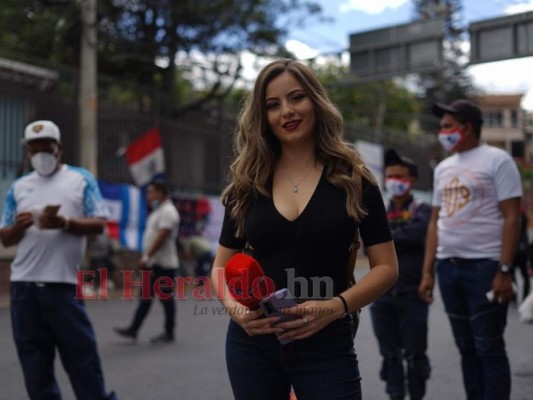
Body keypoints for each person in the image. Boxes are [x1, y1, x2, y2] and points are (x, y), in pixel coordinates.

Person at [210, 59, 398, 400]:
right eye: (273, 105)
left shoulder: (355, 180)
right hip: (253, 344)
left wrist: (334, 307)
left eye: (296, 97)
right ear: (262, 116)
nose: (287, 111)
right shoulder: (247, 184)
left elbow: (386, 267)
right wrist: (236, 311)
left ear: (316, 100)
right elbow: (220, 268)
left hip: (327, 343)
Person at [0, 120, 117, 400]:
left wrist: (64, 222)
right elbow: (5, 237)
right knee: (35, 364)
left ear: (59, 149)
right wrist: (21, 226)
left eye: (46, 148)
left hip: (63, 286)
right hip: (24, 288)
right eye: (34, 149)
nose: (40, 154)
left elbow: (99, 224)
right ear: (27, 151)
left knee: (82, 359)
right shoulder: (18, 187)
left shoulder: (80, 179)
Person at [418, 100, 522, 400]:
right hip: (448, 268)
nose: (442, 132)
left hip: (485, 269)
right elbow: (435, 222)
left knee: (488, 346)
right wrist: (428, 272)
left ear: (468, 127)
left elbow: (512, 218)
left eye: (448, 126)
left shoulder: (497, 160)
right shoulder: (443, 169)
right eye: (441, 127)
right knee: (466, 349)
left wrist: (504, 270)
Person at [370, 149, 432, 400]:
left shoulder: (422, 209)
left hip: (412, 292)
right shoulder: (378, 211)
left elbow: (415, 235)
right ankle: (395, 395)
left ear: (412, 180)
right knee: (390, 354)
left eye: (400, 176)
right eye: (390, 175)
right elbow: (368, 241)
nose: (394, 180)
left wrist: (383, 238)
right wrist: (393, 236)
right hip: (382, 294)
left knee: (415, 354)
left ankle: (416, 394)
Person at [114, 180, 180, 343]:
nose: (148, 196)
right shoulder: (158, 211)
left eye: (151, 192)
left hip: (163, 264)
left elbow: (162, 236)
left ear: (160, 193)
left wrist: (147, 256)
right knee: (145, 297)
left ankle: (169, 331)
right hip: (154, 263)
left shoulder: (168, 212)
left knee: (165, 299)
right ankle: (134, 329)